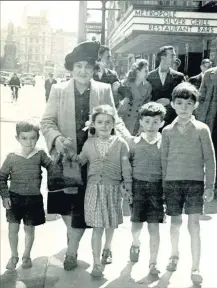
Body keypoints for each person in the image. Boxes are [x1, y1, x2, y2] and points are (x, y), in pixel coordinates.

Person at [40, 41, 131, 271]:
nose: (83, 71)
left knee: (81, 207)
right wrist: (57, 138)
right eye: (78, 66)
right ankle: (72, 236)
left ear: (94, 69)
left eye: (88, 67)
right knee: (64, 206)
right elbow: (47, 121)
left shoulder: (103, 90)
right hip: (66, 159)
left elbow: (115, 121)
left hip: (93, 159)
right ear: (71, 68)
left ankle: (71, 251)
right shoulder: (58, 90)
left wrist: (130, 141)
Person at [161, 82, 216, 285]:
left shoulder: (202, 129)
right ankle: (174, 255)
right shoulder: (166, 131)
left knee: (194, 225)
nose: (184, 107)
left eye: (189, 103)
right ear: (173, 105)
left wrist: (209, 185)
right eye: (180, 102)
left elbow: (210, 159)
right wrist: (162, 187)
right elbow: (163, 160)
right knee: (175, 223)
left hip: (195, 183)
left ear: (195, 105)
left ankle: (196, 266)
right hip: (172, 183)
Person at [70, 104, 132, 277]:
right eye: (100, 122)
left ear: (113, 124)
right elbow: (80, 161)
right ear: (93, 124)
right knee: (97, 227)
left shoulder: (120, 143)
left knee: (110, 224)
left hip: (112, 190)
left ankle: (108, 248)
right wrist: (68, 154)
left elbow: (126, 167)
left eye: (108, 122)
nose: (104, 125)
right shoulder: (89, 143)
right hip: (94, 190)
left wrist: (128, 187)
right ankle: (96, 263)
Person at [0, 120, 52, 270]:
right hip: (14, 198)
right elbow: (1, 177)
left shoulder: (40, 154)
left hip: (34, 199)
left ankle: (26, 256)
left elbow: (52, 166)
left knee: (29, 229)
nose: (29, 142)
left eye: (32, 138)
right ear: (18, 138)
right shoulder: (12, 157)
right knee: (12, 229)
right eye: (24, 138)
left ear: (38, 137)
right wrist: (5, 196)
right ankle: (14, 255)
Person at [129, 102, 166, 276]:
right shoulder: (133, 143)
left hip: (156, 189)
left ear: (162, 123)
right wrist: (127, 188)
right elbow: (127, 166)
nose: (151, 126)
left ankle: (153, 262)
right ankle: (135, 243)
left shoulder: (165, 144)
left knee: (154, 227)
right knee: (136, 225)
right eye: (147, 121)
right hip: (138, 187)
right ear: (141, 122)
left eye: (156, 122)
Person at [147, 46, 185, 126]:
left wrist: (170, 101)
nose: (175, 58)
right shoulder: (149, 76)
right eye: (172, 55)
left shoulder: (179, 77)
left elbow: (183, 96)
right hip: (153, 120)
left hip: (173, 120)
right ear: (163, 57)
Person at [118, 59, 152, 136]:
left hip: (137, 122)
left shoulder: (147, 86)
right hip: (123, 120)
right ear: (137, 72)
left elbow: (146, 107)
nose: (148, 73)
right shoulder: (124, 83)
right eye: (145, 71)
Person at [197, 66, 217, 193]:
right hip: (212, 119)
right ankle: (212, 185)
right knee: (212, 151)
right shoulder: (210, 74)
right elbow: (201, 98)